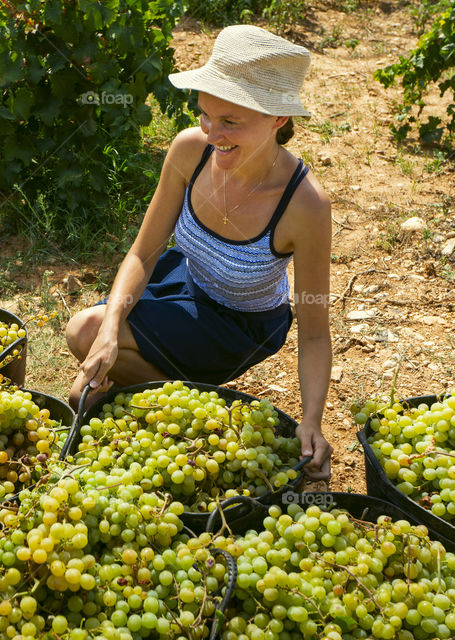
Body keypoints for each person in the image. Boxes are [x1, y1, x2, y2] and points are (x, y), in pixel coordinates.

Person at [64, 25, 333, 480]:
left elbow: (313, 334)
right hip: (184, 284)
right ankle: (192, 404)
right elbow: (143, 254)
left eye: (230, 121)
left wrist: (312, 421)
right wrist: (111, 328)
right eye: (205, 114)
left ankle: (200, 408)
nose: (212, 133)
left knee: (85, 363)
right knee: (85, 353)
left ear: (278, 119)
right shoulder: (190, 150)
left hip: (239, 325)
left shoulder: (305, 205)